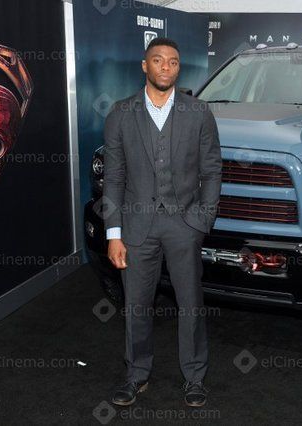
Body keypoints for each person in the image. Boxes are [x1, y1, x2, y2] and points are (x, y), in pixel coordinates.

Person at [100, 37, 222, 407]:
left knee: (191, 304)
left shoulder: (199, 112)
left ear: (178, 67)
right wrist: (114, 233)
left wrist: (202, 219)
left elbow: (212, 169)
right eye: (158, 60)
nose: (165, 67)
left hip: (185, 225)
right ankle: (136, 375)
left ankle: (195, 377)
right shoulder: (120, 114)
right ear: (144, 65)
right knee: (136, 306)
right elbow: (113, 178)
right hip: (136, 227)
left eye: (172, 61)